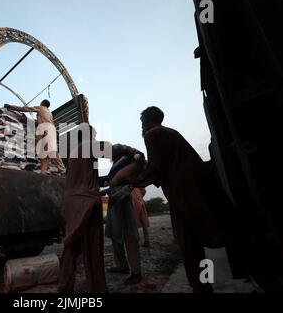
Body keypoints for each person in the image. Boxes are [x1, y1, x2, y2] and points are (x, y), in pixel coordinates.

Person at [110, 106, 243, 293]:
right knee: (206, 238)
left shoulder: (152, 134)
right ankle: (207, 284)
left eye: (142, 123)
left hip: (184, 196)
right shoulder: (172, 133)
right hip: (197, 193)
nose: (142, 127)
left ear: (146, 122)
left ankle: (202, 287)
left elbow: (154, 168)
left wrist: (131, 180)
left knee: (190, 245)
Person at [58, 124, 109, 293]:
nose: (95, 138)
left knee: (71, 246)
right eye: (93, 135)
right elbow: (112, 149)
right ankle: (98, 290)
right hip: (87, 204)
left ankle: (64, 287)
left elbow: (88, 177)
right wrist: (133, 153)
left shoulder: (74, 154)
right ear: (87, 136)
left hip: (72, 205)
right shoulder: (88, 147)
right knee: (93, 249)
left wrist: (105, 179)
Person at [103, 147, 145, 285]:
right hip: (114, 204)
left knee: (130, 237)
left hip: (123, 202)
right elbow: (114, 183)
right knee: (116, 237)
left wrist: (117, 196)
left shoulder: (128, 161)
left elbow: (130, 185)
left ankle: (136, 272)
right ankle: (121, 265)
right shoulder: (116, 165)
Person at [5, 100, 66, 175]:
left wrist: (12, 107)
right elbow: (41, 121)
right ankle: (43, 173)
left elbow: (26, 109)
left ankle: (62, 170)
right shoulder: (49, 113)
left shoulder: (41, 108)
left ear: (42, 103)